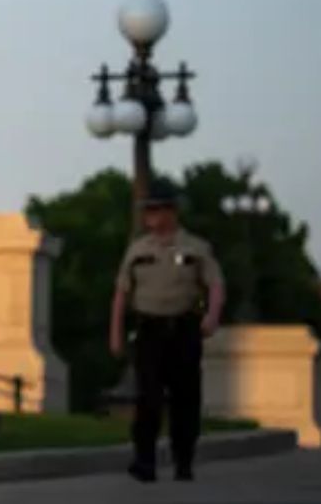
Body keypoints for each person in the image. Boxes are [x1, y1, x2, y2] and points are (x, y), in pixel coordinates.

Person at [109, 179, 225, 483]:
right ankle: (144, 460)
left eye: (159, 210)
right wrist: (116, 333)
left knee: (185, 398)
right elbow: (121, 293)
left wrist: (212, 316)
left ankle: (183, 459)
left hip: (183, 328)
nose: (153, 217)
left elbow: (215, 284)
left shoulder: (195, 248)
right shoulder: (137, 250)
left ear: (173, 212)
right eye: (149, 211)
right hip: (149, 329)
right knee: (147, 398)